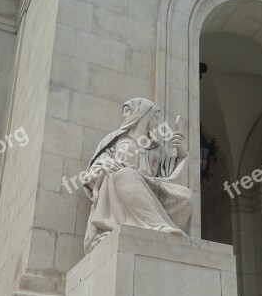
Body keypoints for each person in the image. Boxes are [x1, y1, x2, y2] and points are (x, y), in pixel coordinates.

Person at [83, 98, 193, 253]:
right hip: (122, 187)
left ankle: (158, 224)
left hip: (150, 186)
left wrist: (182, 154)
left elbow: (167, 176)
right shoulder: (114, 141)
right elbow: (90, 176)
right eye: (155, 117)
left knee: (186, 195)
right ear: (144, 115)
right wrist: (106, 167)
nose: (157, 122)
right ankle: (156, 226)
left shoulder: (157, 148)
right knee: (127, 175)